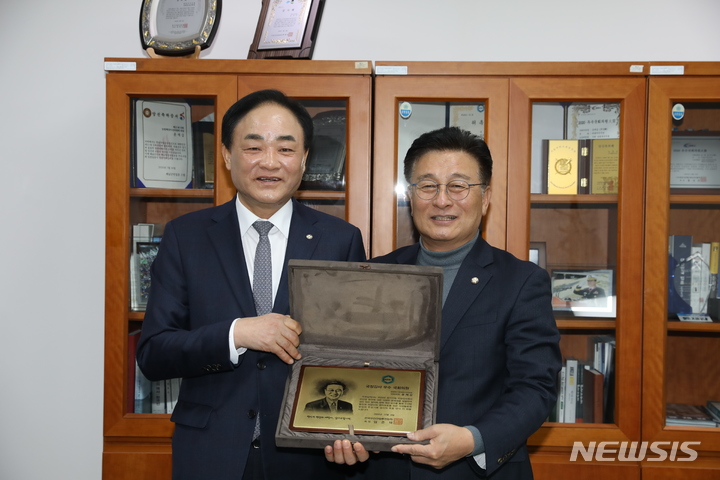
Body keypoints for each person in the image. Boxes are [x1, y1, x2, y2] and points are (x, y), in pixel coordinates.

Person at [136, 89, 366, 480]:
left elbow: (356, 353)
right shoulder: (185, 237)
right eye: (254, 147)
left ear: (305, 158)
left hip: (307, 457)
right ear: (226, 155)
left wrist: (354, 429)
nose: (270, 163)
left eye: (286, 149)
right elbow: (155, 352)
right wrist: (237, 333)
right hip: (211, 452)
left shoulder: (339, 239)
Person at [328, 126, 561, 479]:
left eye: (458, 186)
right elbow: (347, 368)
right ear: (410, 195)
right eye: (428, 186)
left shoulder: (521, 281)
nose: (442, 200)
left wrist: (472, 440)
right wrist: (339, 433)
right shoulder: (374, 272)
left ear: (484, 198)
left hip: (472, 469)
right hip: (382, 469)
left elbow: (535, 388)